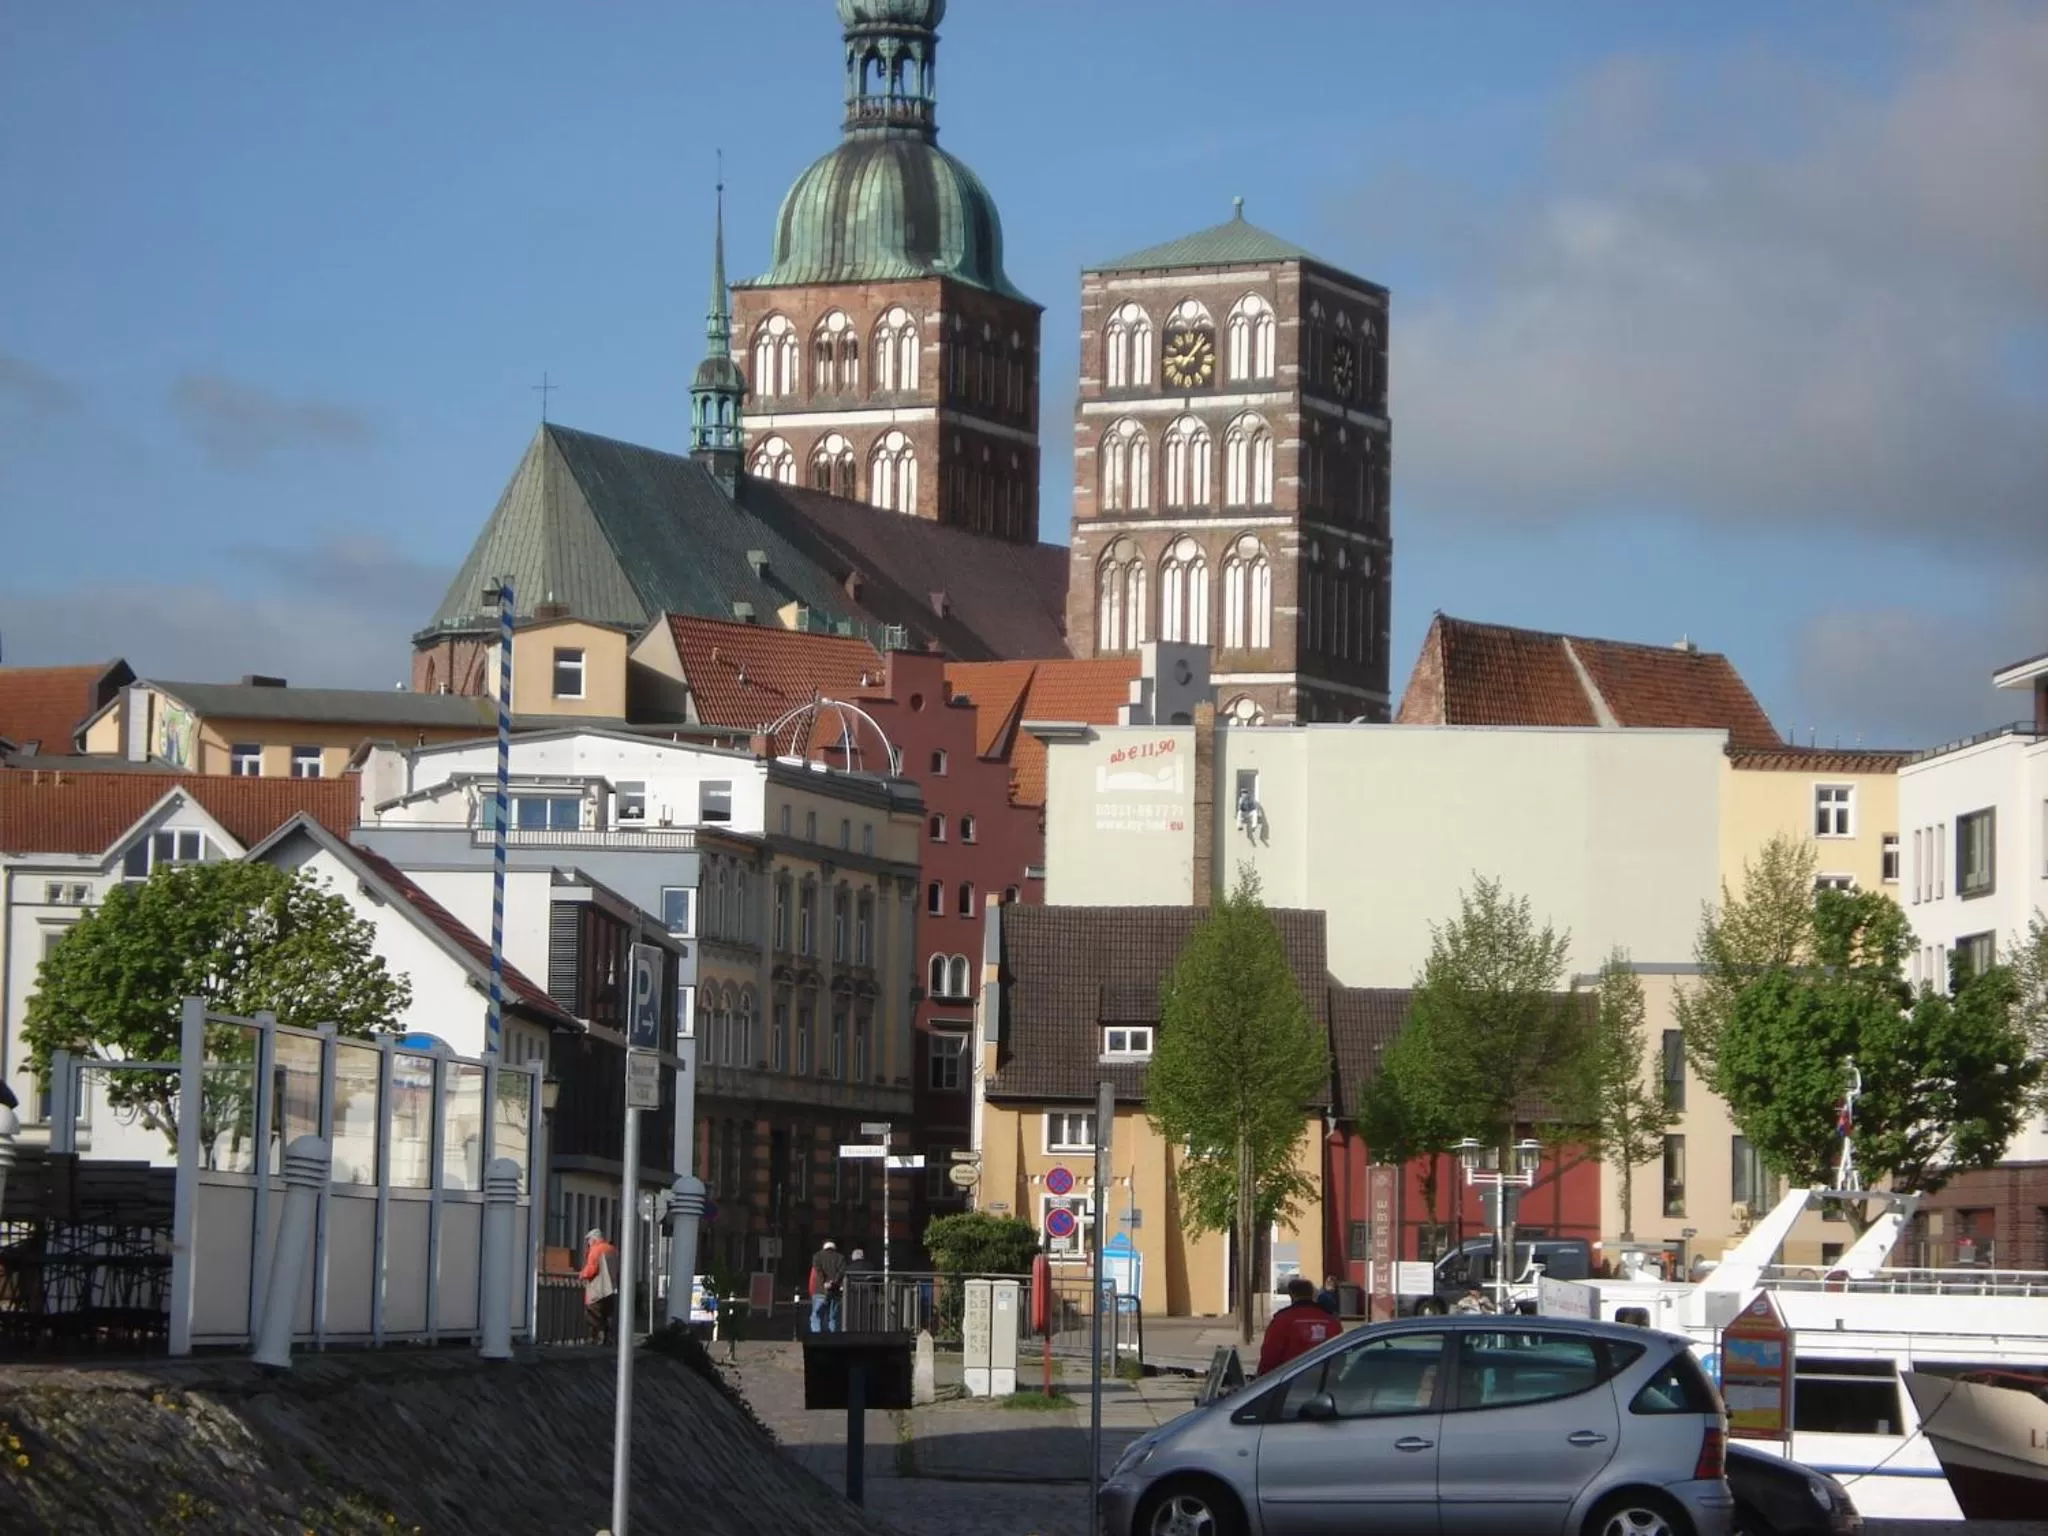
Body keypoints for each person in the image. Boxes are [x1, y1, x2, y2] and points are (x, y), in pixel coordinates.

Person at [1257, 1276, 1337, 1376]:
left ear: (1291, 1295)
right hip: (1325, 1382)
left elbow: (1270, 1355)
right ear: (1312, 1294)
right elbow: (1341, 1353)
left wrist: (1261, 1379)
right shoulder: (1331, 1320)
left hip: (1291, 1381)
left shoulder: (1282, 1319)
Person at [579, 1226, 619, 1344]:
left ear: (594, 1240)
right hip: (611, 1288)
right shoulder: (612, 1249)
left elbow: (592, 1269)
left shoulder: (595, 1250)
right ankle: (609, 1338)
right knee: (608, 1315)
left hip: (597, 1290)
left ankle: (594, 1339)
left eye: (589, 1240)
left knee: (593, 1315)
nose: (588, 1243)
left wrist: (582, 1274)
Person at [808, 1239, 846, 1333]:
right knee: (831, 1317)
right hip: (835, 1291)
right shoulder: (840, 1257)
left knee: (816, 1315)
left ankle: (817, 1337)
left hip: (820, 1290)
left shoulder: (817, 1256)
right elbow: (841, 1272)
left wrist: (825, 1283)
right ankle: (831, 1339)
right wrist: (833, 1282)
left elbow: (818, 1272)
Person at [844, 1246, 875, 1330]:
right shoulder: (870, 1266)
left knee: (853, 1313)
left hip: (853, 1294)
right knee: (867, 1314)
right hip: (868, 1293)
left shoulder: (849, 1268)